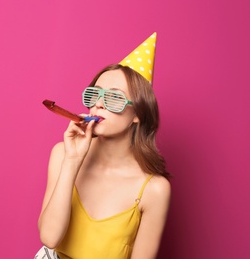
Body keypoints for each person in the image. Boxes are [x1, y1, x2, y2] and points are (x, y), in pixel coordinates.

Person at [37, 33, 171, 259]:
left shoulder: (154, 189)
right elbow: (50, 239)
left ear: (138, 113)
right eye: (94, 95)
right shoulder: (62, 154)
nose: (98, 104)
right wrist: (72, 161)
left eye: (114, 98)